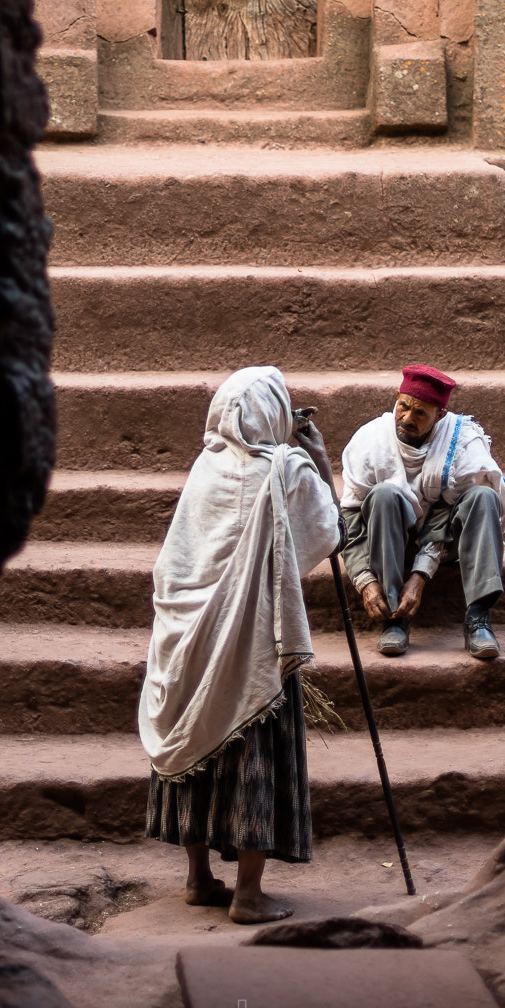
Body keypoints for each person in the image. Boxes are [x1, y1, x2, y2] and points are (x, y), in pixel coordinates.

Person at [139, 365, 341, 924]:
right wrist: (321, 462)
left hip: (187, 638)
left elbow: (181, 556)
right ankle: (249, 896)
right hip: (251, 642)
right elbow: (326, 534)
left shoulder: (205, 466)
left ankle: (198, 877)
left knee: (196, 747)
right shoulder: (288, 468)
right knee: (255, 750)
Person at [340, 364, 505, 660]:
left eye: (420, 413)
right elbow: (350, 519)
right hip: (386, 539)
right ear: (397, 398)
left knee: (483, 496)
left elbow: (448, 515)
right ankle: (396, 618)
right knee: (383, 494)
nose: (407, 418)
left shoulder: (461, 444)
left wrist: (420, 576)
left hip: (445, 544)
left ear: (440, 416)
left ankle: (478, 617)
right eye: (403, 406)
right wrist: (364, 580)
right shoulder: (370, 441)